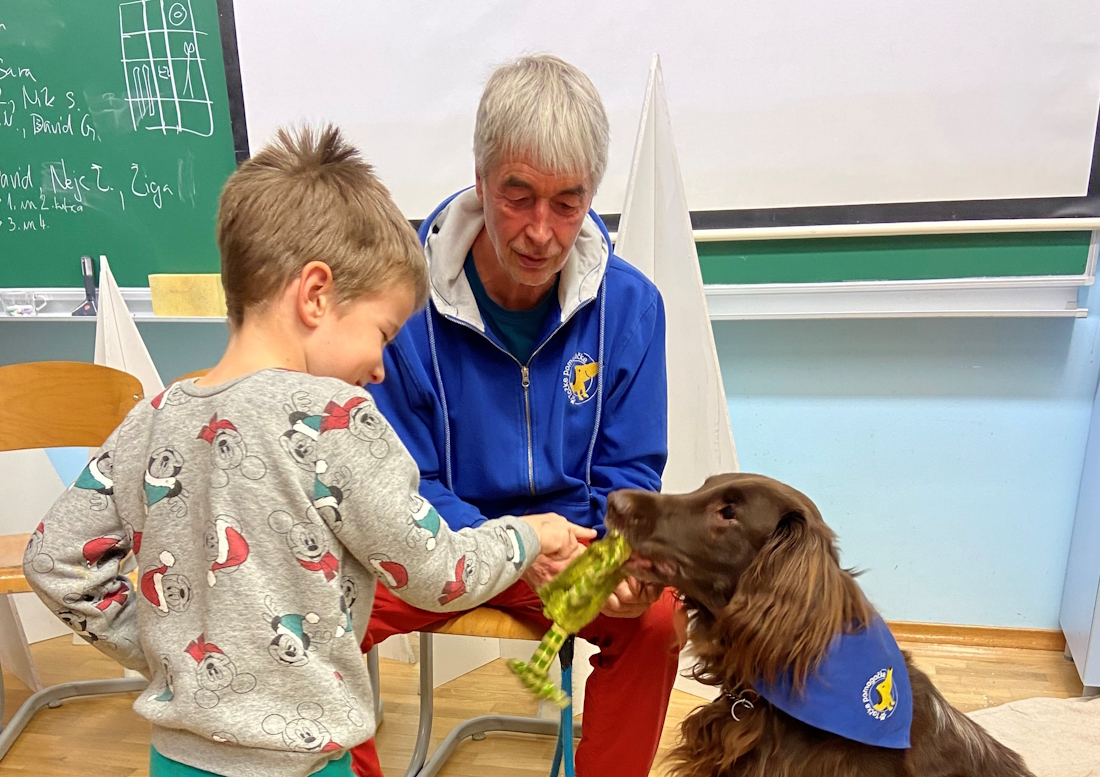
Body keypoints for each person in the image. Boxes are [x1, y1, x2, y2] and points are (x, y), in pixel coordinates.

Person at [23, 125, 592, 777]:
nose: (381, 368)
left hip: (175, 759)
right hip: (303, 761)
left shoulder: (153, 416)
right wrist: (528, 533)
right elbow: (437, 572)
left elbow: (55, 558)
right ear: (317, 294)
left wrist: (168, 655)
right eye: (381, 333)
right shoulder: (336, 417)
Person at [352, 55, 679, 777]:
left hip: (572, 546)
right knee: (320, 603)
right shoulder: (401, 303)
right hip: (443, 543)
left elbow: (628, 475)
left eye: (568, 201)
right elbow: (403, 480)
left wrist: (611, 561)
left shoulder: (632, 306)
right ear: (481, 177)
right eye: (518, 195)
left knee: (656, 619)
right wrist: (513, 546)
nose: (541, 230)